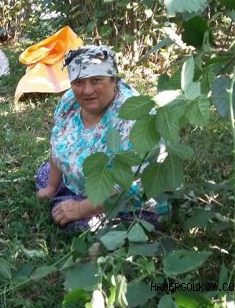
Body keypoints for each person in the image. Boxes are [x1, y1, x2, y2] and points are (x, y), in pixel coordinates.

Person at [35, 45, 162, 230]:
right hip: (84, 183)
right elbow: (58, 142)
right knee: (44, 175)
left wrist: (80, 209)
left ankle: (77, 205)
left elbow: (133, 186)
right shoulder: (69, 102)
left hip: (126, 202)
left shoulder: (133, 117)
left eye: (96, 80)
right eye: (79, 82)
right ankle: (65, 196)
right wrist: (51, 187)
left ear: (114, 80)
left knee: (83, 226)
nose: (87, 91)